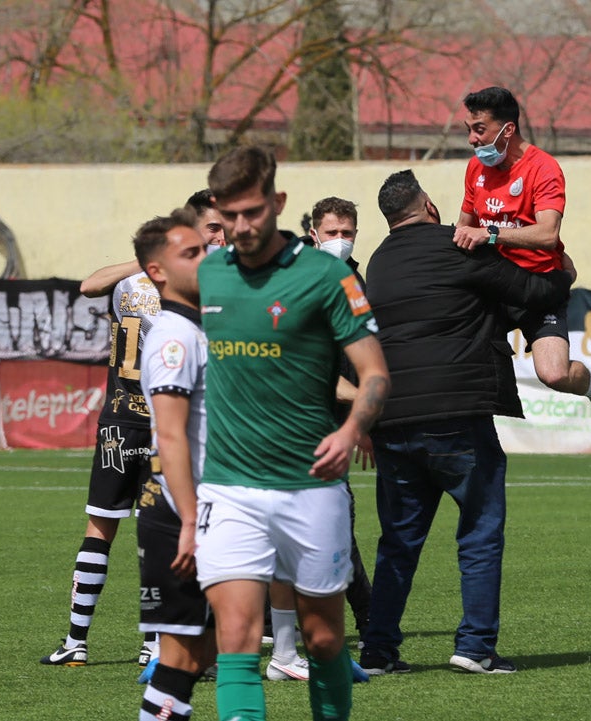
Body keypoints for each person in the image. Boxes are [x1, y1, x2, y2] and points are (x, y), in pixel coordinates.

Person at [197, 145, 389, 721]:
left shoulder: (328, 275)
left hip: (310, 484)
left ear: (278, 203)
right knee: (236, 636)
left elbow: (375, 373)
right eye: (230, 215)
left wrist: (352, 429)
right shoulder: (206, 273)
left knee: (324, 638)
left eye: (253, 212)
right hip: (230, 487)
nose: (241, 227)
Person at [359, 170, 573, 675]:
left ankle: (378, 650)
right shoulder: (456, 245)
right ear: (431, 207)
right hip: (456, 415)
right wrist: (564, 274)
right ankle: (475, 646)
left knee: (397, 543)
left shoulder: (378, 262)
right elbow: (528, 291)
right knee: (479, 531)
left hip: (393, 419)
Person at [452, 86, 591, 450]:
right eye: (469, 129)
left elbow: (548, 234)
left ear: (507, 130)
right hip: (493, 285)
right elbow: (463, 228)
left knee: (554, 374)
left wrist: (490, 234)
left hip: (538, 287)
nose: (472, 139)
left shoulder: (543, 167)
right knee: (454, 349)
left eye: (479, 129)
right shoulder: (475, 169)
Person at [41, 253, 161, 667]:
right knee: (153, 535)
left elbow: (90, 284)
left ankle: (77, 641)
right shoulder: (187, 284)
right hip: (161, 424)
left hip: (122, 422)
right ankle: (151, 644)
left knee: (105, 529)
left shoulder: (127, 283)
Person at [133, 208, 216, 719]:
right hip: (183, 515)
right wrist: (190, 521)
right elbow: (169, 436)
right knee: (182, 657)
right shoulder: (173, 337)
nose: (206, 259)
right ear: (157, 271)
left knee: (213, 648)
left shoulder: (199, 326)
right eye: (191, 253)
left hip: (213, 509)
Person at [308, 195, 373, 642]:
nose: (340, 240)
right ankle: (370, 619)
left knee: (332, 525)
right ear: (314, 234)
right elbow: (309, 367)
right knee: (330, 527)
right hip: (297, 421)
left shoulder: (354, 280)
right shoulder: (301, 281)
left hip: (332, 424)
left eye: (347, 233)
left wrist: (358, 421)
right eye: (332, 232)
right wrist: (364, 405)